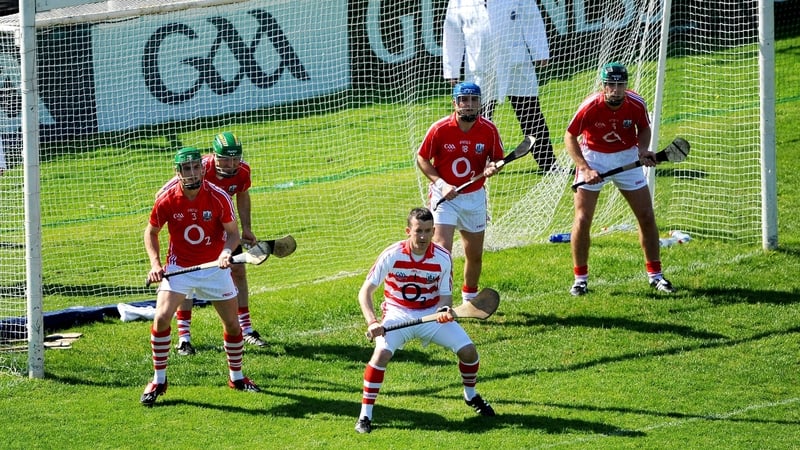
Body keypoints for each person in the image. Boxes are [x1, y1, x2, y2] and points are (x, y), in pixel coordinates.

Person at [354, 207, 495, 434]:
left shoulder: (442, 257)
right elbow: (365, 292)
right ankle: (365, 416)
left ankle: (471, 396)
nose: (423, 237)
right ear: (408, 230)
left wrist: (444, 309)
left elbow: (445, 295)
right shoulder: (392, 254)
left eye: (428, 231)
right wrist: (372, 322)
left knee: (469, 352)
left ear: (433, 231)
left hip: (430, 314)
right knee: (381, 355)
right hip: (397, 312)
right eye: (418, 231)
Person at [141, 147, 259, 407]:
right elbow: (151, 232)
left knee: (232, 325)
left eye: (196, 167)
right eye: (186, 168)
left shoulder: (218, 197)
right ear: (178, 172)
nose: (192, 173)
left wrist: (227, 252)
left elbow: (232, 232)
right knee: (161, 318)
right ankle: (159, 380)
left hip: (214, 269)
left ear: (202, 169)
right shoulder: (167, 199)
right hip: (179, 267)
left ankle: (236, 378)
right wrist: (155, 264)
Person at [565, 62, 675, 296]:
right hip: (593, 156)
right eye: (610, 85)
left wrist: (643, 151)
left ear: (626, 85)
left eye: (620, 85)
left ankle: (656, 276)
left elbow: (643, 129)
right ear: (603, 86)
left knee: (646, 215)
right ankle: (580, 280)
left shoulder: (636, 103)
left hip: (627, 155)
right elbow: (570, 136)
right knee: (583, 218)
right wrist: (584, 168)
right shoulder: (590, 106)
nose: (615, 90)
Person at [162, 132, 266, 356]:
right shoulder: (199, 168)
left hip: (225, 230)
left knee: (238, 271)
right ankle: (184, 337)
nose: (231, 165)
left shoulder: (243, 171)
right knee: (186, 278)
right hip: (194, 232)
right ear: (214, 158)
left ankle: (246, 328)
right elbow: (163, 193)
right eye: (226, 160)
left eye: (236, 159)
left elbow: (242, 195)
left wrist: (246, 227)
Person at [442, 0, 557, 172]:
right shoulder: (459, 1)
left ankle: (549, 164)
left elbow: (531, 17)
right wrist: (451, 69)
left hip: (516, 63)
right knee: (478, 120)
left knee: (531, 114)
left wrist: (539, 50)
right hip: (480, 69)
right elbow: (452, 33)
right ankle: (475, 166)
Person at [417, 82, 503, 304]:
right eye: (464, 100)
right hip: (445, 198)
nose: (469, 105)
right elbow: (422, 158)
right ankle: (438, 302)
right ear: (454, 103)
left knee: (473, 255)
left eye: (474, 100)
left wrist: (493, 167)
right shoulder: (439, 128)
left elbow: (497, 159)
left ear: (480, 103)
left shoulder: (489, 129)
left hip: (474, 197)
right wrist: (441, 184)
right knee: (442, 251)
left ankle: (469, 300)